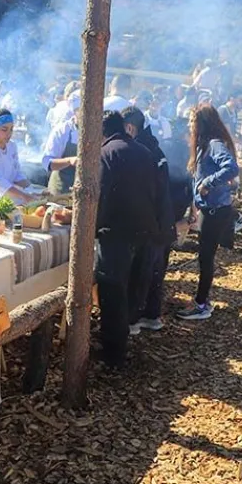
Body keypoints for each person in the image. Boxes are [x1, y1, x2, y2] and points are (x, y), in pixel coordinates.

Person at [95, 111, 163, 366]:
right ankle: (125, 339)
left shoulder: (105, 153)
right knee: (132, 287)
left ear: (101, 133)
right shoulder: (144, 151)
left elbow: (100, 197)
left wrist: (91, 228)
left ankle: (113, 353)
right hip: (143, 231)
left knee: (112, 289)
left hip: (116, 233)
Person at [176, 106, 239, 321]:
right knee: (205, 257)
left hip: (216, 211)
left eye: (192, 121)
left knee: (206, 258)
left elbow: (231, 168)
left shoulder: (214, 144)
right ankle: (202, 300)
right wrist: (194, 207)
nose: (189, 125)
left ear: (202, 123)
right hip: (209, 210)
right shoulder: (204, 145)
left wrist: (208, 183)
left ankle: (201, 304)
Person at [121, 107, 177, 332]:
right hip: (163, 217)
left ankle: (133, 321)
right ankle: (152, 315)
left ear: (130, 128)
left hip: (150, 220)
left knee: (140, 271)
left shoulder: (140, 150)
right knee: (155, 272)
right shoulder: (154, 146)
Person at [41, 93, 81, 195]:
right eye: (81, 110)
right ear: (74, 111)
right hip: (61, 190)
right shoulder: (62, 131)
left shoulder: (98, 130)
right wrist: (69, 160)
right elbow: (47, 162)